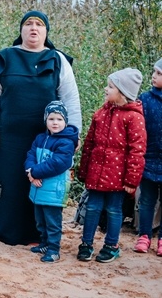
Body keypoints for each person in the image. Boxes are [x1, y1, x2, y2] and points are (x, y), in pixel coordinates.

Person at [0, 10, 81, 245]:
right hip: (10, 135)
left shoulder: (58, 60)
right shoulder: (4, 57)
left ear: (46, 31)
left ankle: (36, 234)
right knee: (8, 181)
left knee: (39, 181)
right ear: (21, 30)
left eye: (39, 25)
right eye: (28, 24)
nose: (33, 28)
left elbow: (71, 99)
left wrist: (73, 134)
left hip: (47, 138)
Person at [77, 68, 146, 263]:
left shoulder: (134, 118)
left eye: (111, 87)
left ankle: (111, 246)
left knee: (115, 210)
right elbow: (89, 143)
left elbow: (137, 151)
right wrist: (84, 170)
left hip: (118, 177)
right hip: (96, 174)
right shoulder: (100, 113)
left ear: (123, 92)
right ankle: (86, 244)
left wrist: (132, 180)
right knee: (92, 207)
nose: (106, 90)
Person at [24, 100, 79, 263]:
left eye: (59, 119)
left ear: (65, 121)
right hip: (38, 187)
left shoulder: (66, 142)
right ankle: (44, 243)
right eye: (51, 119)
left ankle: (54, 249)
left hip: (54, 189)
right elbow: (31, 155)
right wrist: (30, 171)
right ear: (46, 121)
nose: (55, 123)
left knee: (52, 221)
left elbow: (58, 163)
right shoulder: (41, 138)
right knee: (40, 219)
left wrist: (35, 172)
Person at [135, 59, 162, 255]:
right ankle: (144, 236)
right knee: (146, 200)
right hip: (148, 158)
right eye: (154, 72)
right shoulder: (144, 99)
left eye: (159, 73)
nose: (154, 76)